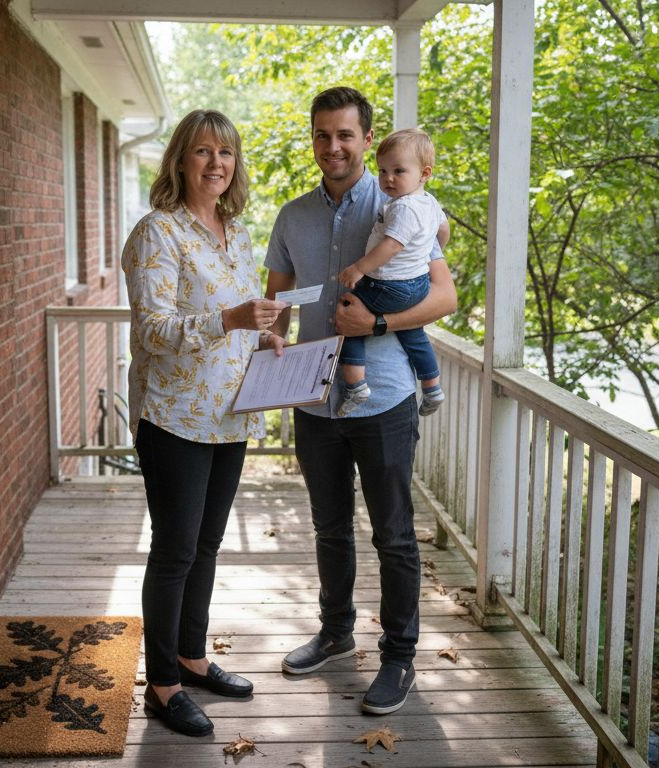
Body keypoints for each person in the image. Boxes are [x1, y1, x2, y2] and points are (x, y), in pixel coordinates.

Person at [262, 87, 457, 715]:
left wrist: (373, 327)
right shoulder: (292, 216)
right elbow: (279, 300)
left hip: (386, 400)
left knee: (394, 536)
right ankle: (337, 632)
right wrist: (272, 336)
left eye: (345, 135)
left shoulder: (404, 201)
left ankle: (398, 656)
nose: (333, 147)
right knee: (328, 528)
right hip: (314, 401)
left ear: (366, 140)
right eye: (322, 135)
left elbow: (444, 299)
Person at [122, 109, 287, 737]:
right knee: (174, 552)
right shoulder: (157, 233)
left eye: (227, 152)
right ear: (180, 160)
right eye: (202, 151)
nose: (216, 163)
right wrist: (232, 321)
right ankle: (162, 683)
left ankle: (192, 657)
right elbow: (153, 332)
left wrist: (263, 338)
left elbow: (246, 319)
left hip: (230, 416)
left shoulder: (236, 232)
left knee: (207, 547)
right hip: (173, 419)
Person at [336, 127, 449, 417]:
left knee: (350, 319)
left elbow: (391, 246)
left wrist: (359, 268)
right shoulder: (430, 203)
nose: (388, 178)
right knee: (413, 333)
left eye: (399, 171)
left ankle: (356, 386)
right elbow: (443, 231)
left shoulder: (404, 208)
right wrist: (426, 252)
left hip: (388, 285)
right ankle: (433, 387)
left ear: (424, 173)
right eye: (383, 170)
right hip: (418, 283)